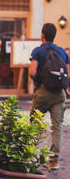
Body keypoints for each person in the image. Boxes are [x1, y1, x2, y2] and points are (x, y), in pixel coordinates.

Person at [29, 23, 69, 170]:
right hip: (59, 94)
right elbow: (68, 74)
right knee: (57, 127)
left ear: (42, 35)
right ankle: (54, 161)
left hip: (42, 92)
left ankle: (31, 157)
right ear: (55, 35)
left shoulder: (38, 51)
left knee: (34, 124)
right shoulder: (62, 52)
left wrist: (40, 81)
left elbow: (32, 72)